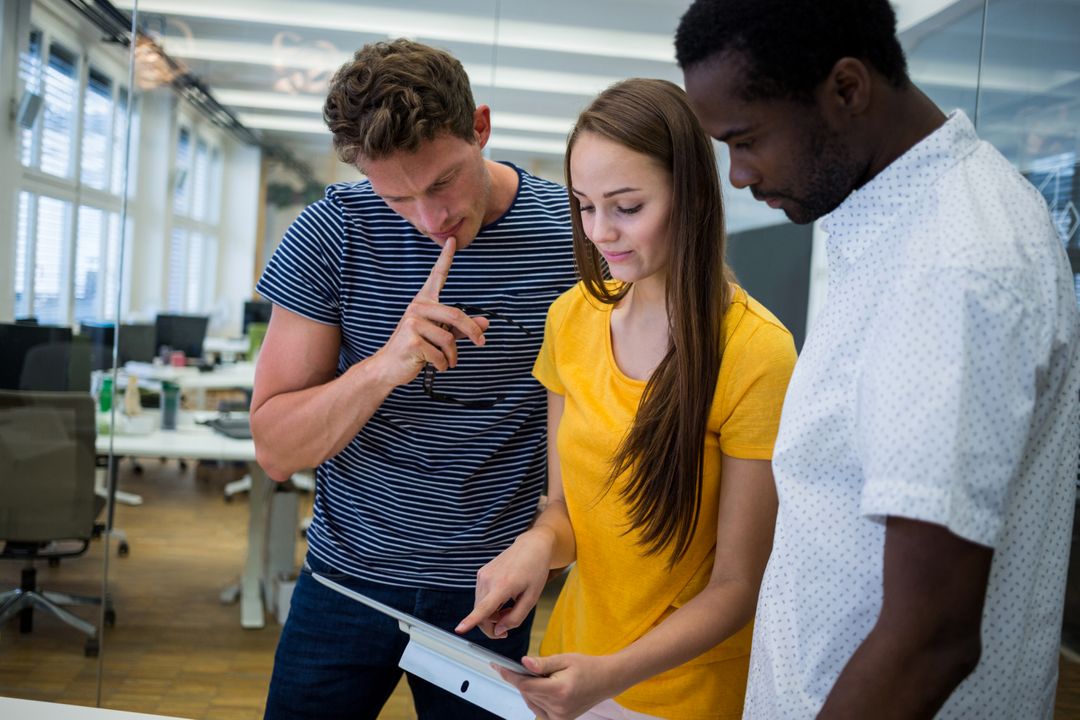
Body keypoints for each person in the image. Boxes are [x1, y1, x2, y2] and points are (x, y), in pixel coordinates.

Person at [675, 1, 1080, 717]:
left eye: (745, 140)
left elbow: (930, 637)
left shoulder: (953, 268)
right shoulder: (904, 225)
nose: (737, 176)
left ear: (847, 90)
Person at [249, 38, 577, 719]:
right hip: (346, 584)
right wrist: (385, 365)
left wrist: (549, 540)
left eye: (443, 182)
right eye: (395, 196)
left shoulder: (571, 237)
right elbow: (277, 450)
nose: (430, 220)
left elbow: (586, 435)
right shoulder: (331, 231)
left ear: (480, 127)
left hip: (488, 593)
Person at [456, 78, 797, 720]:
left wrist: (609, 676)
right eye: (584, 206)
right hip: (569, 667)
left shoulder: (757, 352)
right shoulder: (571, 319)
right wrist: (536, 546)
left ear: (691, 196)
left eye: (627, 206)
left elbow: (736, 587)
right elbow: (563, 510)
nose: (600, 232)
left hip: (683, 691)